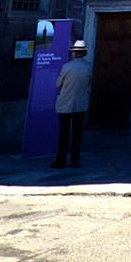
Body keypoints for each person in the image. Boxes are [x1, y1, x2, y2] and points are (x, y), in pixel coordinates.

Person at [50, 39, 93, 169]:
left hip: (66, 104)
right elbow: (88, 84)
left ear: (74, 53)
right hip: (80, 104)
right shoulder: (88, 67)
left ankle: (61, 160)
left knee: (64, 133)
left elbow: (58, 84)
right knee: (77, 134)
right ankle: (75, 160)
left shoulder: (67, 67)